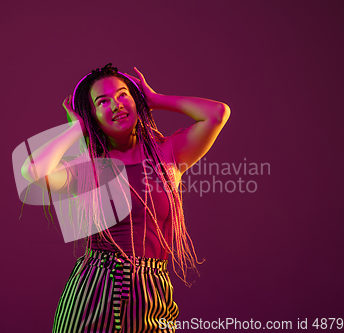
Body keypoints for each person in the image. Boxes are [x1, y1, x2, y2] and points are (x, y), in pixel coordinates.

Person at [20, 63, 230, 332]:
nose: (116, 105)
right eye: (103, 102)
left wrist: (156, 99)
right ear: (92, 115)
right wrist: (76, 129)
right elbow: (33, 170)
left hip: (152, 292)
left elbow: (217, 113)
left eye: (123, 95)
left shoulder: (168, 155)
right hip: (93, 292)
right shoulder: (88, 169)